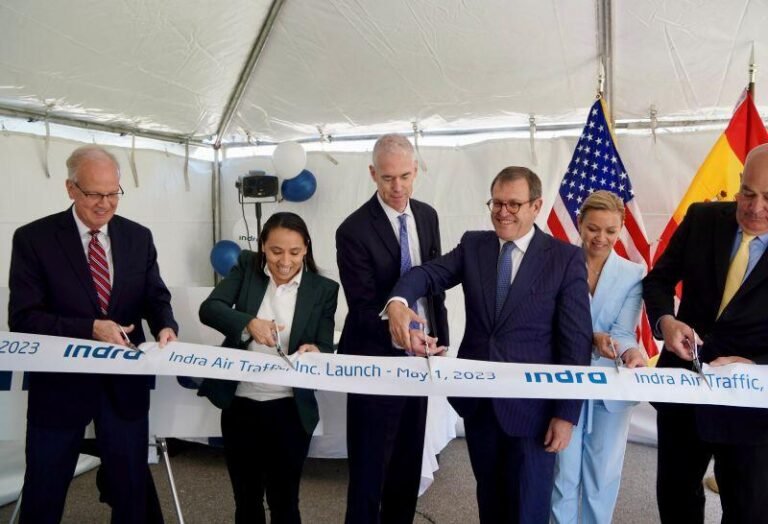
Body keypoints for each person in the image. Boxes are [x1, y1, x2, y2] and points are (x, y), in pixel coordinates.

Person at [387, 166, 593, 524]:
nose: (503, 212)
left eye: (514, 204)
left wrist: (566, 414)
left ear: (536, 206)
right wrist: (398, 303)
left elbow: (575, 342)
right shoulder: (474, 245)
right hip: (480, 406)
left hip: (534, 412)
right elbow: (428, 274)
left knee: (528, 509)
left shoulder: (565, 258)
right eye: (497, 202)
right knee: (491, 504)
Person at [8, 145, 178, 524]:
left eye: (113, 193)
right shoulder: (34, 239)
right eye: (94, 194)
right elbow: (23, 318)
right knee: (45, 489)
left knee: (131, 490)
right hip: (60, 390)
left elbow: (154, 296)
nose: (105, 203)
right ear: (71, 189)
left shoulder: (138, 237)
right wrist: (88, 328)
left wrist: (166, 324)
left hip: (124, 390)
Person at [644, 143, 768, 523]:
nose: (755, 207)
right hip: (684, 393)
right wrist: (667, 322)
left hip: (752, 405)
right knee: (676, 499)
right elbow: (658, 281)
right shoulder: (702, 219)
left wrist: (756, 364)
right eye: (747, 193)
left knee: (748, 510)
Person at [335, 133, 449, 524]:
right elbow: (363, 306)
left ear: (416, 171)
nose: (397, 187)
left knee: (406, 462)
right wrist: (402, 332)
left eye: (404, 176)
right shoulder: (352, 230)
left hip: (420, 361)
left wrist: (438, 338)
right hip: (374, 360)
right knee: (369, 469)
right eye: (387, 178)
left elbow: (435, 285)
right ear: (372, 174)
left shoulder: (429, 216)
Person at [197, 211, 339, 524]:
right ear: (262, 246)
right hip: (241, 405)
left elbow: (325, 346)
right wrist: (248, 322)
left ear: (306, 249)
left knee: (284, 501)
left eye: (294, 252)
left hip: (290, 409)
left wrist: (315, 350)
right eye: (275, 251)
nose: (285, 261)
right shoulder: (247, 267)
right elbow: (209, 309)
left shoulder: (324, 290)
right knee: (246, 501)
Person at [550, 190, 647, 524]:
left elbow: (623, 330)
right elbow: (549, 324)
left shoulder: (634, 274)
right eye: (593, 228)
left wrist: (631, 350)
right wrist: (589, 338)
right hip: (566, 385)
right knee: (563, 477)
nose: (601, 238)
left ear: (621, 229)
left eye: (610, 231)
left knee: (602, 479)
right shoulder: (558, 264)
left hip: (611, 388)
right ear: (579, 223)